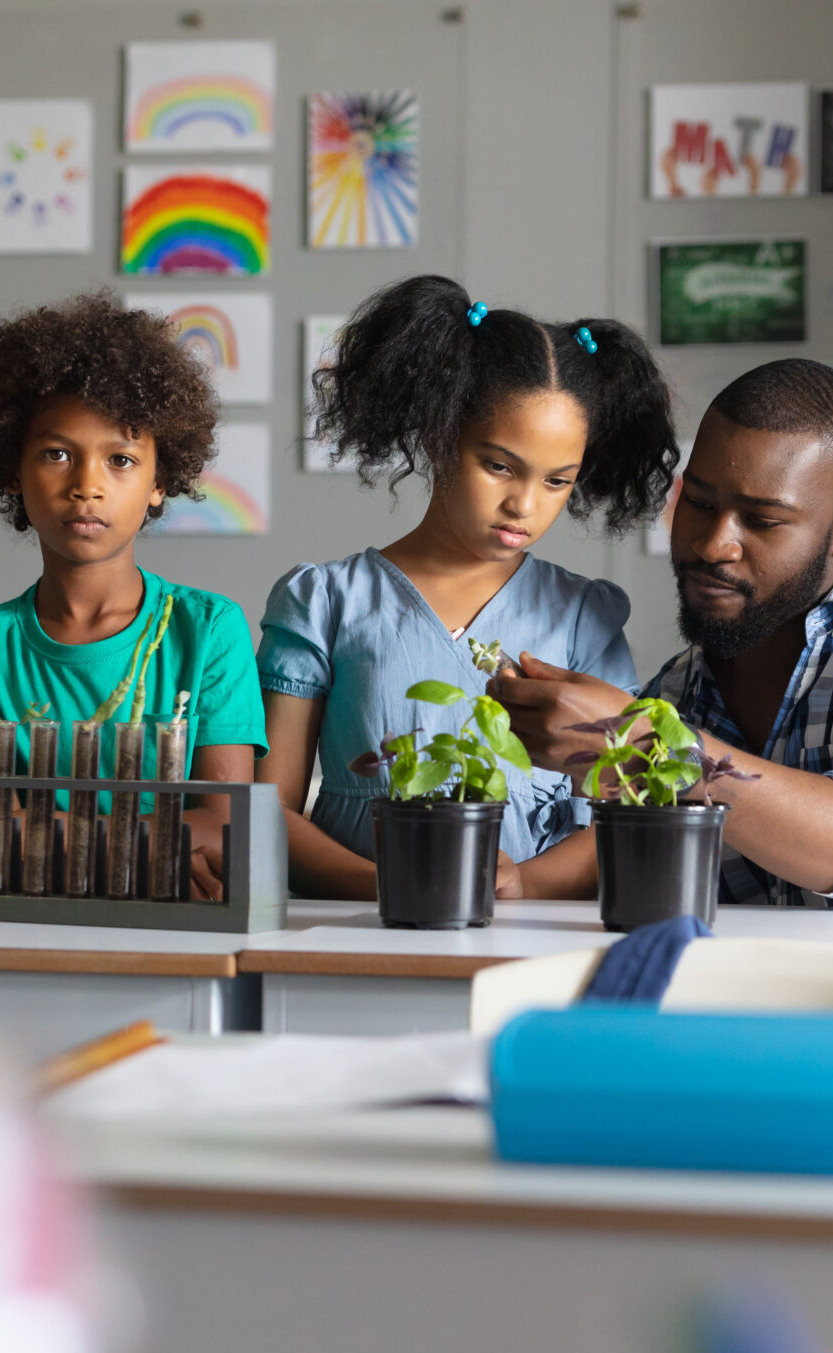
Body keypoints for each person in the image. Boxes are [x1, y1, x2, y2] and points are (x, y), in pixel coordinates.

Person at [493, 359, 833, 911]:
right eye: (700, 503)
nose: (715, 545)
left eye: (761, 521)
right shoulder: (678, 692)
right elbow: (637, 844)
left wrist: (650, 745)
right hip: (762, 996)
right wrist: (523, 882)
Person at [257, 276, 674, 900]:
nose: (524, 505)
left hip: (533, 940)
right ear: (438, 434)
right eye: (499, 466)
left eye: (558, 481)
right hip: (356, 931)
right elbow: (267, 813)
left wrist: (522, 885)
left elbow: (631, 814)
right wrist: (394, 886)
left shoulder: (584, 616)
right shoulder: (325, 603)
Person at [0, 293, 264, 894]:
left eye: (120, 459)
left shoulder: (210, 630)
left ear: (160, 482)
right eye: (57, 454)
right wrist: (154, 844)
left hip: (177, 935)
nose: (86, 486)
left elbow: (226, 825)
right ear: (13, 469)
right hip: (20, 936)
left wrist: (37, 827)